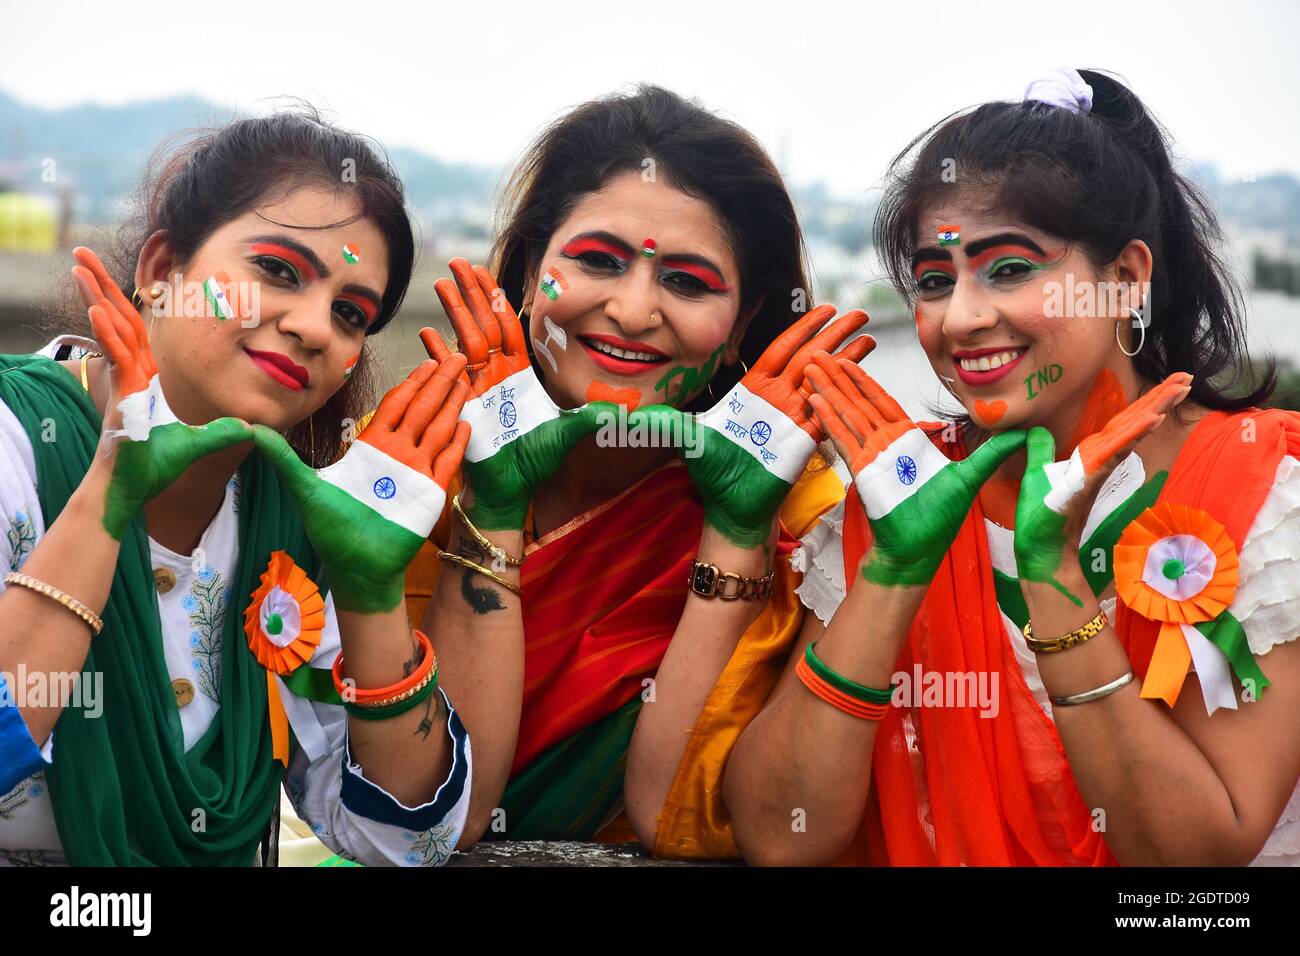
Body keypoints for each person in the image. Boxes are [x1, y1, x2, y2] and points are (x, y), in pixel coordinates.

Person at [725, 69, 1300, 866]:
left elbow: (1192, 859)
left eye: (1010, 268)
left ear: (1125, 280)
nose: (960, 318)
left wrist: (1055, 582)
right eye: (934, 280)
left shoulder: (1260, 489)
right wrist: (892, 573)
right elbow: (778, 835)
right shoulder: (902, 487)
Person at [404, 84, 872, 855]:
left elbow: (689, 820)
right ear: (529, 273)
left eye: (687, 282)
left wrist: (736, 532)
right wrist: (491, 508)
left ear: (742, 327)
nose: (631, 311)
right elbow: (436, 815)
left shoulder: (803, 518)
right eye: (597, 261)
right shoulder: (423, 464)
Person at [0, 110, 474, 866]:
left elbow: (411, 842)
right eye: (279, 272)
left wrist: (371, 591)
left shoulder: (293, 524)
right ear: (162, 271)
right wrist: (104, 501)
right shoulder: (16, 441)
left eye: (350, 314)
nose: (315, 328)